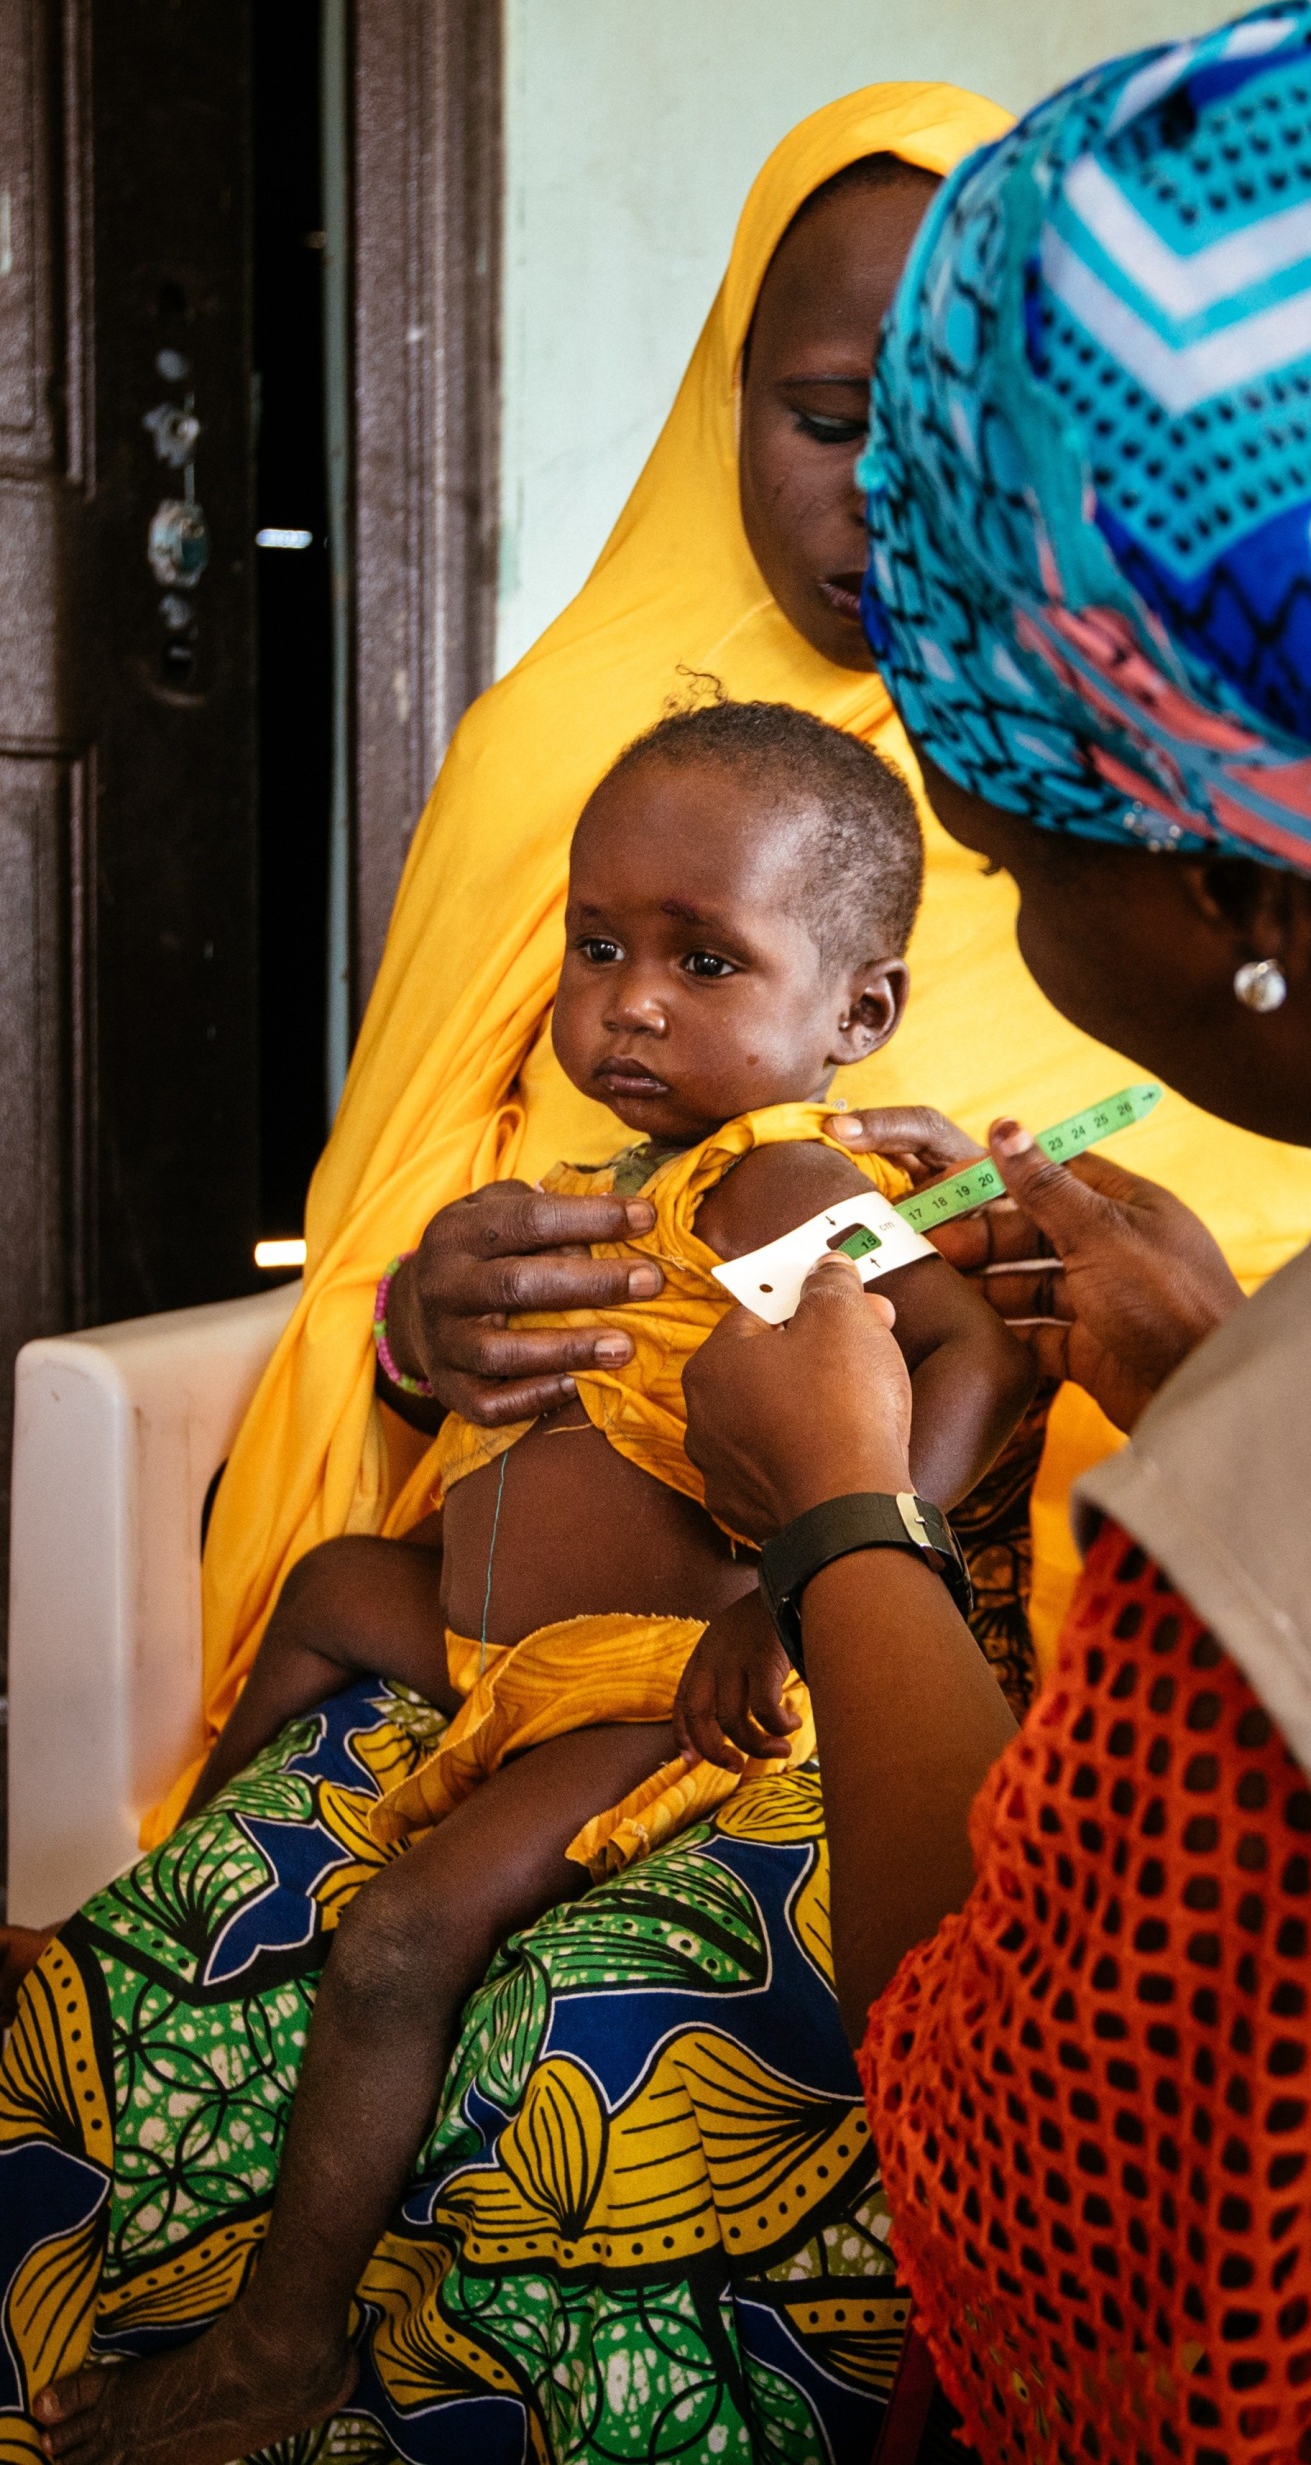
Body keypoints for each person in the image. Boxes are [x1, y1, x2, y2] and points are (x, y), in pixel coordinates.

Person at [153, 84, 1311, 1851]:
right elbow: (396, 1230)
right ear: (730, 401)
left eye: (953, 432)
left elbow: (1267, 1323)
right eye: (832, 419)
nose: (889, 495)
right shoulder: (561, 760)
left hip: (1003, 1673)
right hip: (517, 1610)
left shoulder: (1167, 794)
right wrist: (419, 1325)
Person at [19, 696, 1035, 2465]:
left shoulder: (794, 1182)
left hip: (640, 1681)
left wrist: (808, 1585)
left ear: (853, 1014)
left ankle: (282, 2345)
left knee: (405, 1934)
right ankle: (204, 1843)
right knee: (335, 1578)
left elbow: (968, 1359)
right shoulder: (604, 1178)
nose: (629, 998)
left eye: (705, 959)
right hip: (502, 1655)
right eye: (597, 945)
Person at [658, 0, 1311, 2464]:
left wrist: (843, 1519)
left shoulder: (1297, 1504)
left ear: (1219, 877)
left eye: (1002, 835)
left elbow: (1027, 2212)